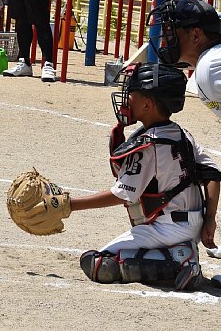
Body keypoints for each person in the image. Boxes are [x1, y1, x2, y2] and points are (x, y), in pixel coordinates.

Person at [73, 62, 220, 290]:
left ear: (147, 104)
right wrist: (209, 218)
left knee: (97, 264)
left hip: (167, 229)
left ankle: (181, 260)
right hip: (190, 225)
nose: (125, 99)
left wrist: (70, 205)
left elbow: (123, 195)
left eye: (131, 93)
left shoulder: (148, 145)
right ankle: (177, 253)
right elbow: (212, 174)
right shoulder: (181, 133)